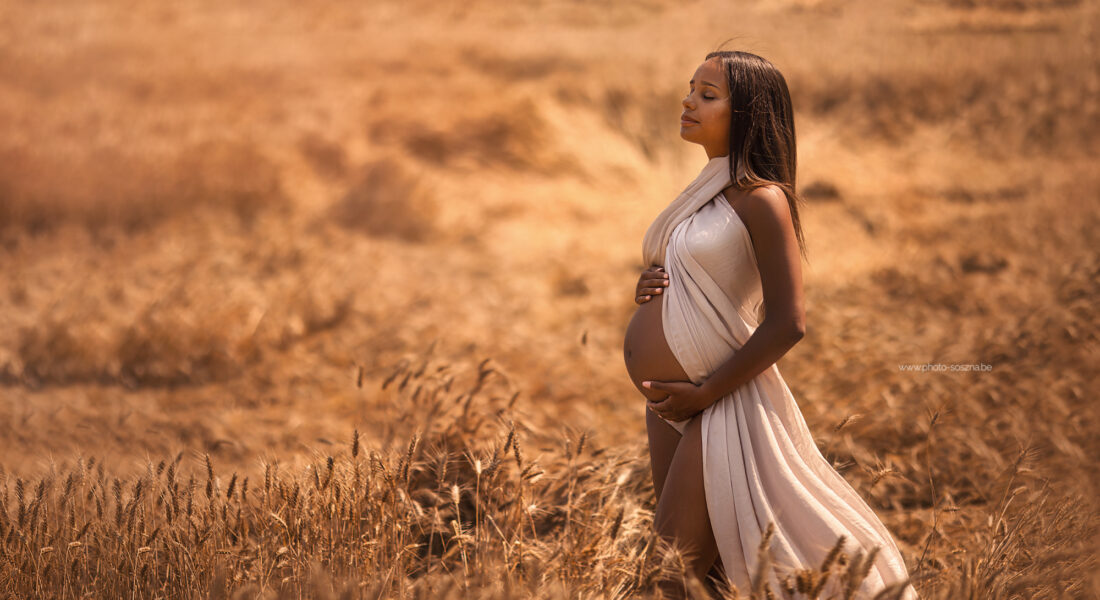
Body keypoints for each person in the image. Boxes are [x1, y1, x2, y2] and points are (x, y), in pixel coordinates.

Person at [622, 50, 918, 599]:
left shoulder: (763, 199)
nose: (689, 100)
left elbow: (789, 322)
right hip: (672, 403)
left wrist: (706, 393)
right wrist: (651, 289)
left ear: (749, 115)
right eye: (691, 88)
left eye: (708, 95)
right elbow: (695, 274)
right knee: (704, 579)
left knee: (665, 578)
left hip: (717, 401)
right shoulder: (704, 195)